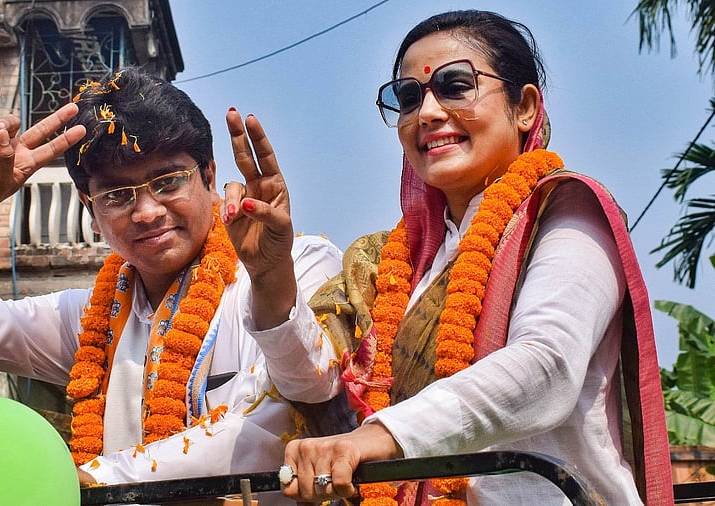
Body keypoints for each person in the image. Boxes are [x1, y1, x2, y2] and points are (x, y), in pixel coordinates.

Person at [222, 9, 673, 506]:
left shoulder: (566, 211)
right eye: (409, 97)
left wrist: (379, 436)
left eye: (456, 85)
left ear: (524, 107)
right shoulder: (384, 262)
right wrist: (270, 272)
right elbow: (313, 386)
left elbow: (546, 366)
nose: (428, 112)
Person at [0, 66, 343, 501]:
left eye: (167, 181)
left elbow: (282, 411)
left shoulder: (294, 264)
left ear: (208, 175)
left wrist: (95, 480)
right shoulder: (93, 318)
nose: (147, 212)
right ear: (90, 210)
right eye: (117, 195)